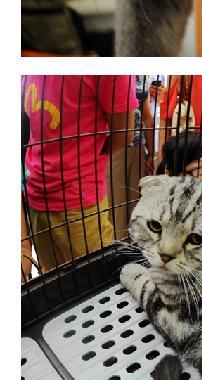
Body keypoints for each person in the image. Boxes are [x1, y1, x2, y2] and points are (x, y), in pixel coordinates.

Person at [22, 76, 136, 272]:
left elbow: (123, 133)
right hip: (35, 193)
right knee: (52, 283)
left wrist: (82, 162)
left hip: (79, 203)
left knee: (95, 284)